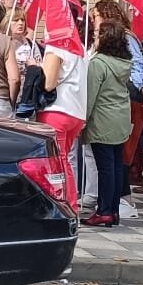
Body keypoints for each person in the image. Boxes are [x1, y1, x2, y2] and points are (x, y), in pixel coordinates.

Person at [84, 20, 134, 226]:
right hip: (120, 119)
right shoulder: (124, 63)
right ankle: (113, 210)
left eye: (97, 35)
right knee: (114, 166)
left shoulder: (99, 63)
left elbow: (90, 96)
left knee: (104, 168)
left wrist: (82, 121)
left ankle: (104, 210)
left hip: (102, 120)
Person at [37, 32, 87, 204]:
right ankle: (69, 204)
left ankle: (67, 206)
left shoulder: (55, 46)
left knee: (56, 162)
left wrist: (35, 67)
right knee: (64, 160)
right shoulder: (79, 46)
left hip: (56, 109)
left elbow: (49, 83)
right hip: (76, 111)